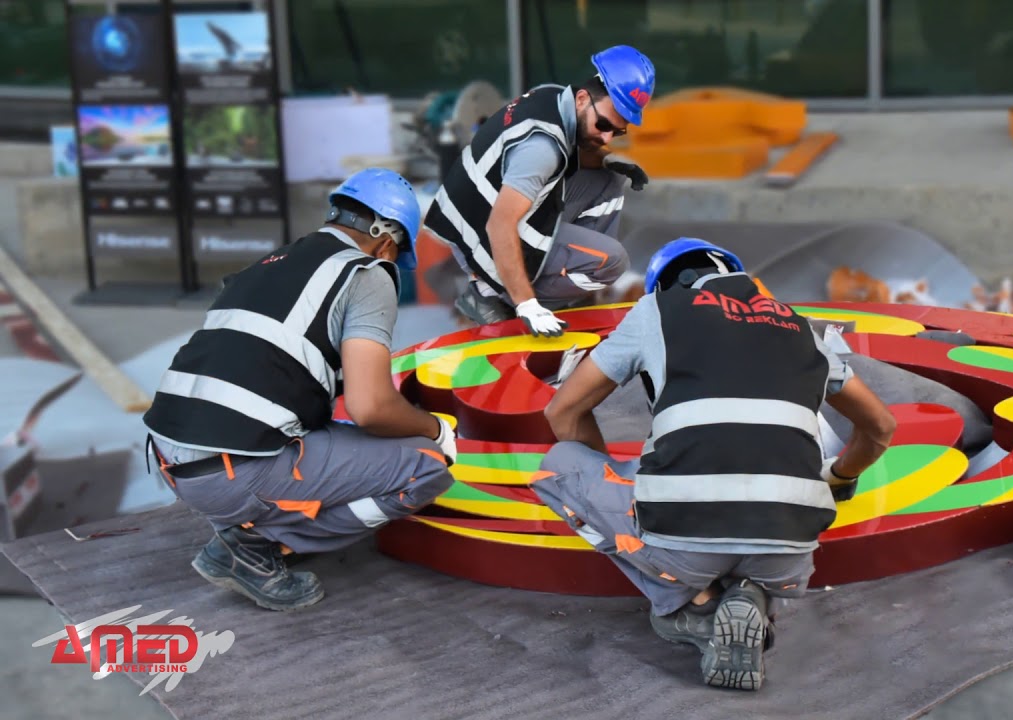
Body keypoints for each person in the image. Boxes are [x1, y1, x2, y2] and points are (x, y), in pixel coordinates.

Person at [530, 238, 898, 690]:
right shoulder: (805, 328)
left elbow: (562, 412)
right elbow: (880, 425)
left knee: (560, 465)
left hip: (682, 547)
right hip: (790, 559)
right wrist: (840, 476)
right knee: (760, 529)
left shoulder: (656, 311)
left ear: (664, 285)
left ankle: (696, 606)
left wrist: (618, 493)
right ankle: (753, 591)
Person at [141, 168, 458, 612]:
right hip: (230, 473)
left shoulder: (269, 265)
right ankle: (257, 545)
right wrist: (433, 429)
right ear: (387, 242)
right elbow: (369, 407)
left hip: (171, 458)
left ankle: (251, 530)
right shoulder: (368, 273)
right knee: (426, 466)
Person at [423, 45, 656, 337]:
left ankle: (562, 289)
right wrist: (527, 304)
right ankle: (498, 299)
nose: (608, 136)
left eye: (618, 132)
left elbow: (580, 147)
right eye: (604, 124)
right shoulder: (541, 149)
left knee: (608, 179)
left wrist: (609, 159)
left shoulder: (555, 96)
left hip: (476, 209)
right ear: (583, 99)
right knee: (613, 262)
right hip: (482, 234)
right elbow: (500, 224)